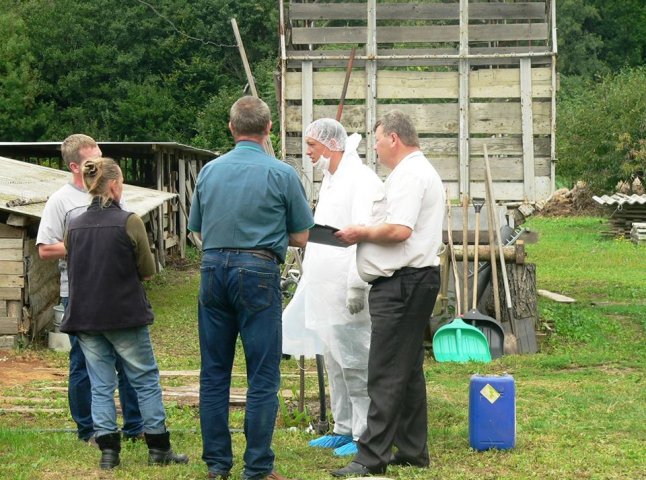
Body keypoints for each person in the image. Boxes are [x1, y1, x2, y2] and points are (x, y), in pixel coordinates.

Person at [188, 96, 314, 480]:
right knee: (262, 374)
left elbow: (197, 228)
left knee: (213, 373)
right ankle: (258, 467)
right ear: (269, 128)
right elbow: (302, 235)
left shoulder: (210, 171)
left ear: (231, 127)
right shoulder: (282, 173)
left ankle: (216, 466)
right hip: (258, 271)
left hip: (212, 270)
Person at [331, 110, 445, 477]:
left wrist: (359, 232)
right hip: (410, 280)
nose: (376, 149)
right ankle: (412, 450)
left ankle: (370, 458)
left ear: (394, 138)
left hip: (404, 283)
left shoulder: (411, 174)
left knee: (383, 371)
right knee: (407, 369)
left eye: (378, 140)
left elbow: (399, 230)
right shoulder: (413, 171)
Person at [60, 157, 188, 470]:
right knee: (144, 378)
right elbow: (146, 271)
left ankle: (108, 453)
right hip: (123, 314)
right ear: (115, 186)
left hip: (85, 316)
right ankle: (158, 447)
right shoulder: (129, 221)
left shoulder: (73, 224)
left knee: (100, 383)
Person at [282, 118, 384, 457]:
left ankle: (363, 433)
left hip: (346, 290)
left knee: (355, 360)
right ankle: (342, 427)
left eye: (312, 146)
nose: (307, 152)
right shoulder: (331, 180)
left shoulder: (361, 180)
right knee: (334, 360)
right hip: (324, 289)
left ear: (332, 144)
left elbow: (363, 234)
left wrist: (357, 284)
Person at [36, 134, 143, 444]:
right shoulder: (61, 200)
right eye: (90, 161)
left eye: (100, 156)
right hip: (79, 291)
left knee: (128, 361)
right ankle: (88, 429)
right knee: (83, 362)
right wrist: (85, 244)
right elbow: (44, 249)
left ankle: (135, 427)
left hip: (118, 288)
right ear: (74, 166)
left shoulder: (115, 191)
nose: (98, 164)